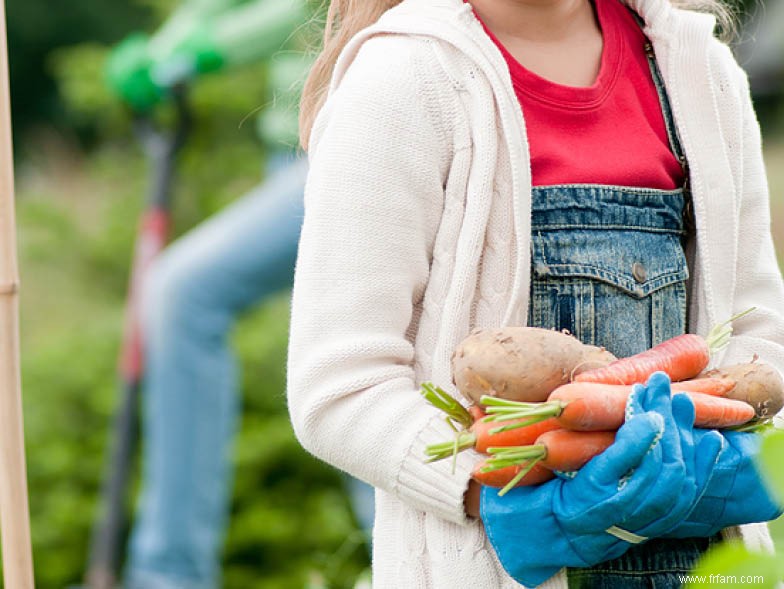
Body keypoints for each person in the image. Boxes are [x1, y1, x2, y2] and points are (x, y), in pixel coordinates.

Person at [286, 0, 784, 587]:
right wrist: (500, 493)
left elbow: (760, 333)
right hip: (497, 563)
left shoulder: (701, 72)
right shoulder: (402, 82)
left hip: (707, 566)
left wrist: (727, 468)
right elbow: (340, 388)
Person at [104, 1, 330, 587]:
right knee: (349, 351)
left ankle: (167, 575)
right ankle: (395, 562)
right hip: (289, 161)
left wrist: (212, 50)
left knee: (182, 292)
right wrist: (170, 42)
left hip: (348, 150)